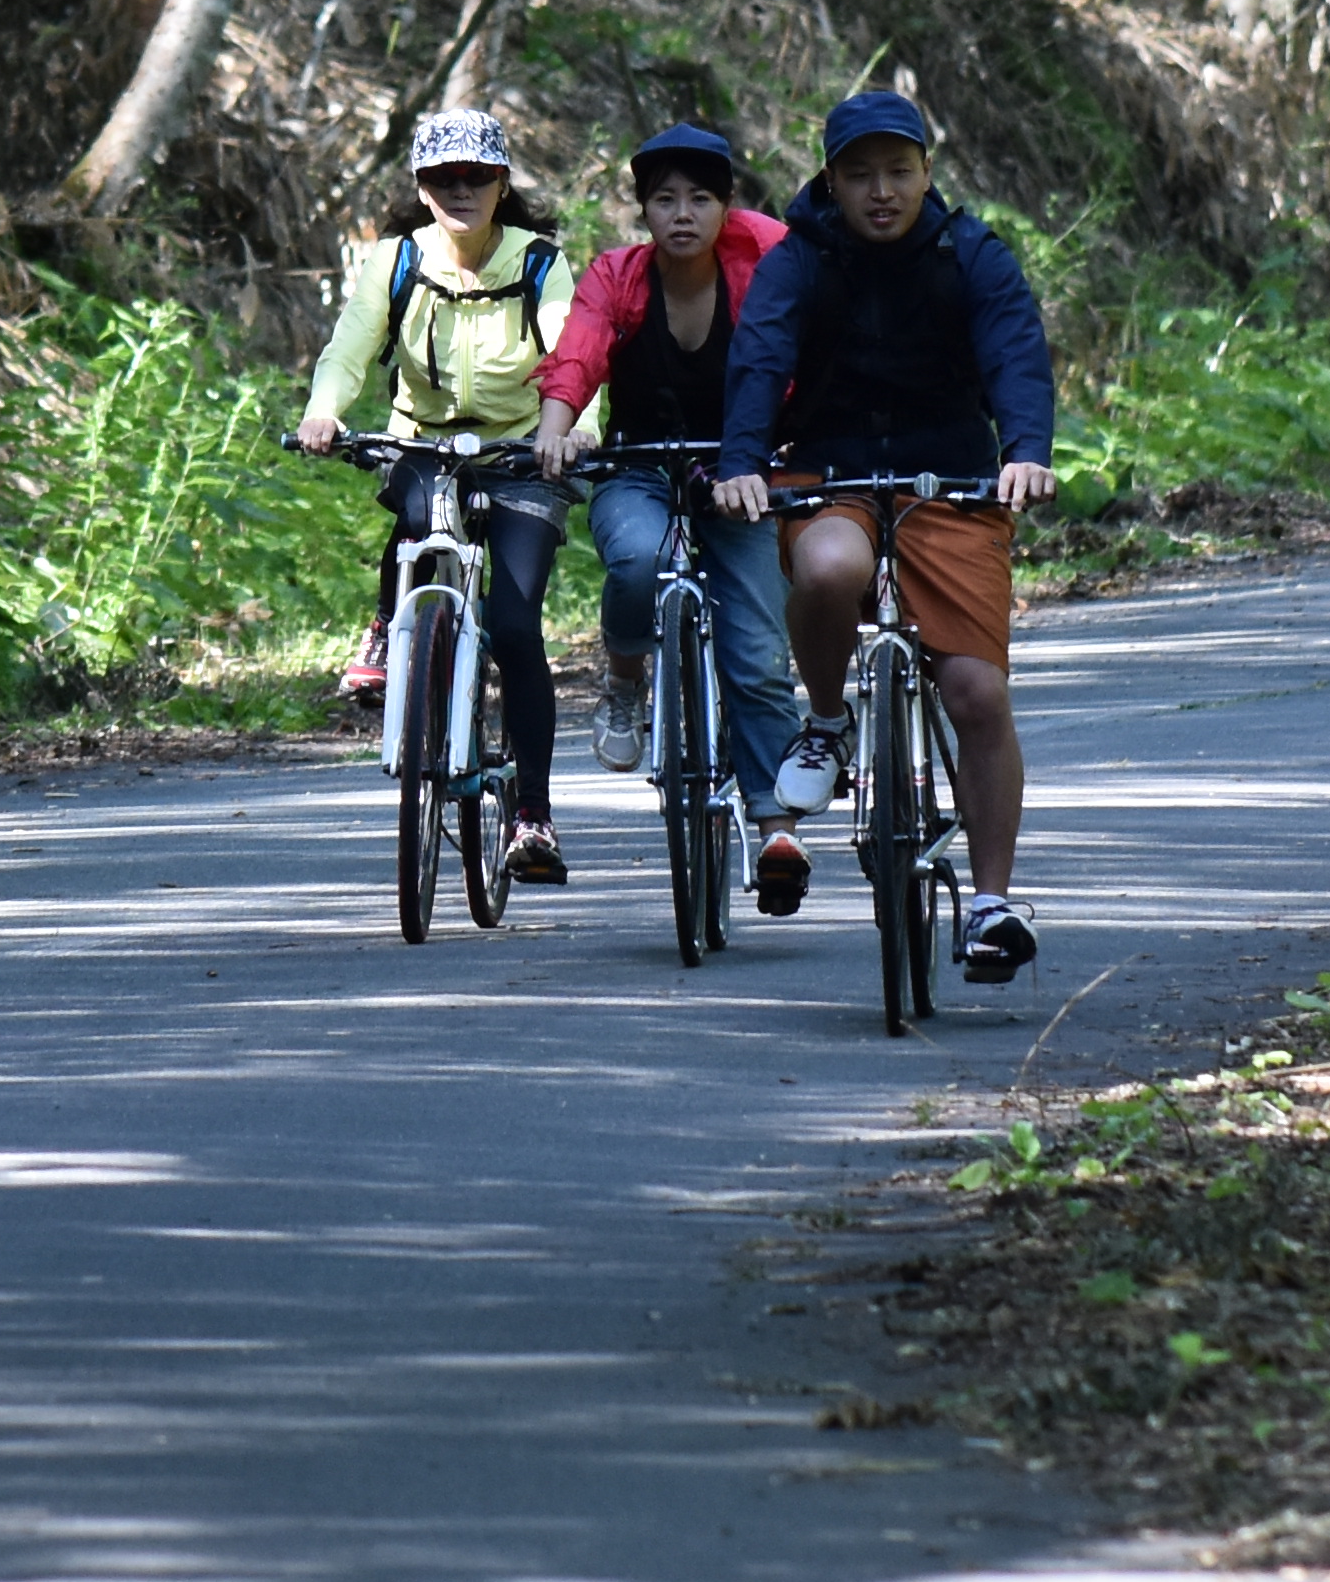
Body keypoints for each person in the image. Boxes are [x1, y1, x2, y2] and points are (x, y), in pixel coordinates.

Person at [712, 87, 1059, 981]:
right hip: (830, 473)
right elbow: (759, 355)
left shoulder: (968, 250)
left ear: (925, 174)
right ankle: (826, 721)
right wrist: (743, 459)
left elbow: (1015, 351)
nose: (880, 192)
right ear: (830, 180)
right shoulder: (802, 259)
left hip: (952, 480)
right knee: (827, 568)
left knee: (977, 693)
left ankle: (991, 903)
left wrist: (1024, 451)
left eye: (897, 172)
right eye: (860, 174)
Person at [531, 120, 812, 913]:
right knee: (638, 561)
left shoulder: (766, 266)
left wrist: (751, 464)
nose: (681, 213)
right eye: (663, 200)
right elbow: (579, 352)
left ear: (727, 206)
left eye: (699, 198)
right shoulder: (617, 275)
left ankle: (775, 827)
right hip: (639, 468)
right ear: (643, 213)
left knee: (756, 651)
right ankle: (624, 678)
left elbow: (790, 362)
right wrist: (554, 435)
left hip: (743, 473)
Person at [295, 105, 572, 885]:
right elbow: (351, 345)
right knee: (418, 511)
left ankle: (532, 816)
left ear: (500, 183)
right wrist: (325, 412)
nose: (460, 190)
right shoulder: (394, 259)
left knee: (515, 627)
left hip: (522, 451)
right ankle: (390, 627)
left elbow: (571, 354)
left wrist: (572, 428)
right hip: (425, 439)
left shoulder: (540, 262)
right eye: (444, 178)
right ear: (420, 187)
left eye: (476, 177)